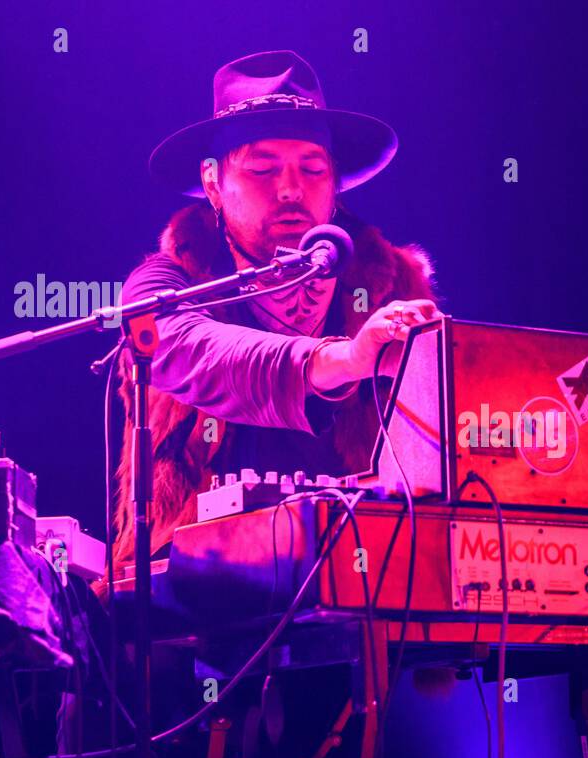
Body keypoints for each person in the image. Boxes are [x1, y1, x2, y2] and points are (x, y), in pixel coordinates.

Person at [112, 50, 442, 564]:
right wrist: (343, 359)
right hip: (193, 581)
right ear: (213, 182)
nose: (291, 189)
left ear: (335, 186)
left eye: (313, 169)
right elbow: (184, 348)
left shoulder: (394, 286)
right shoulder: (167, 281)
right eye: (263, 169)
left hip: (369, 568)